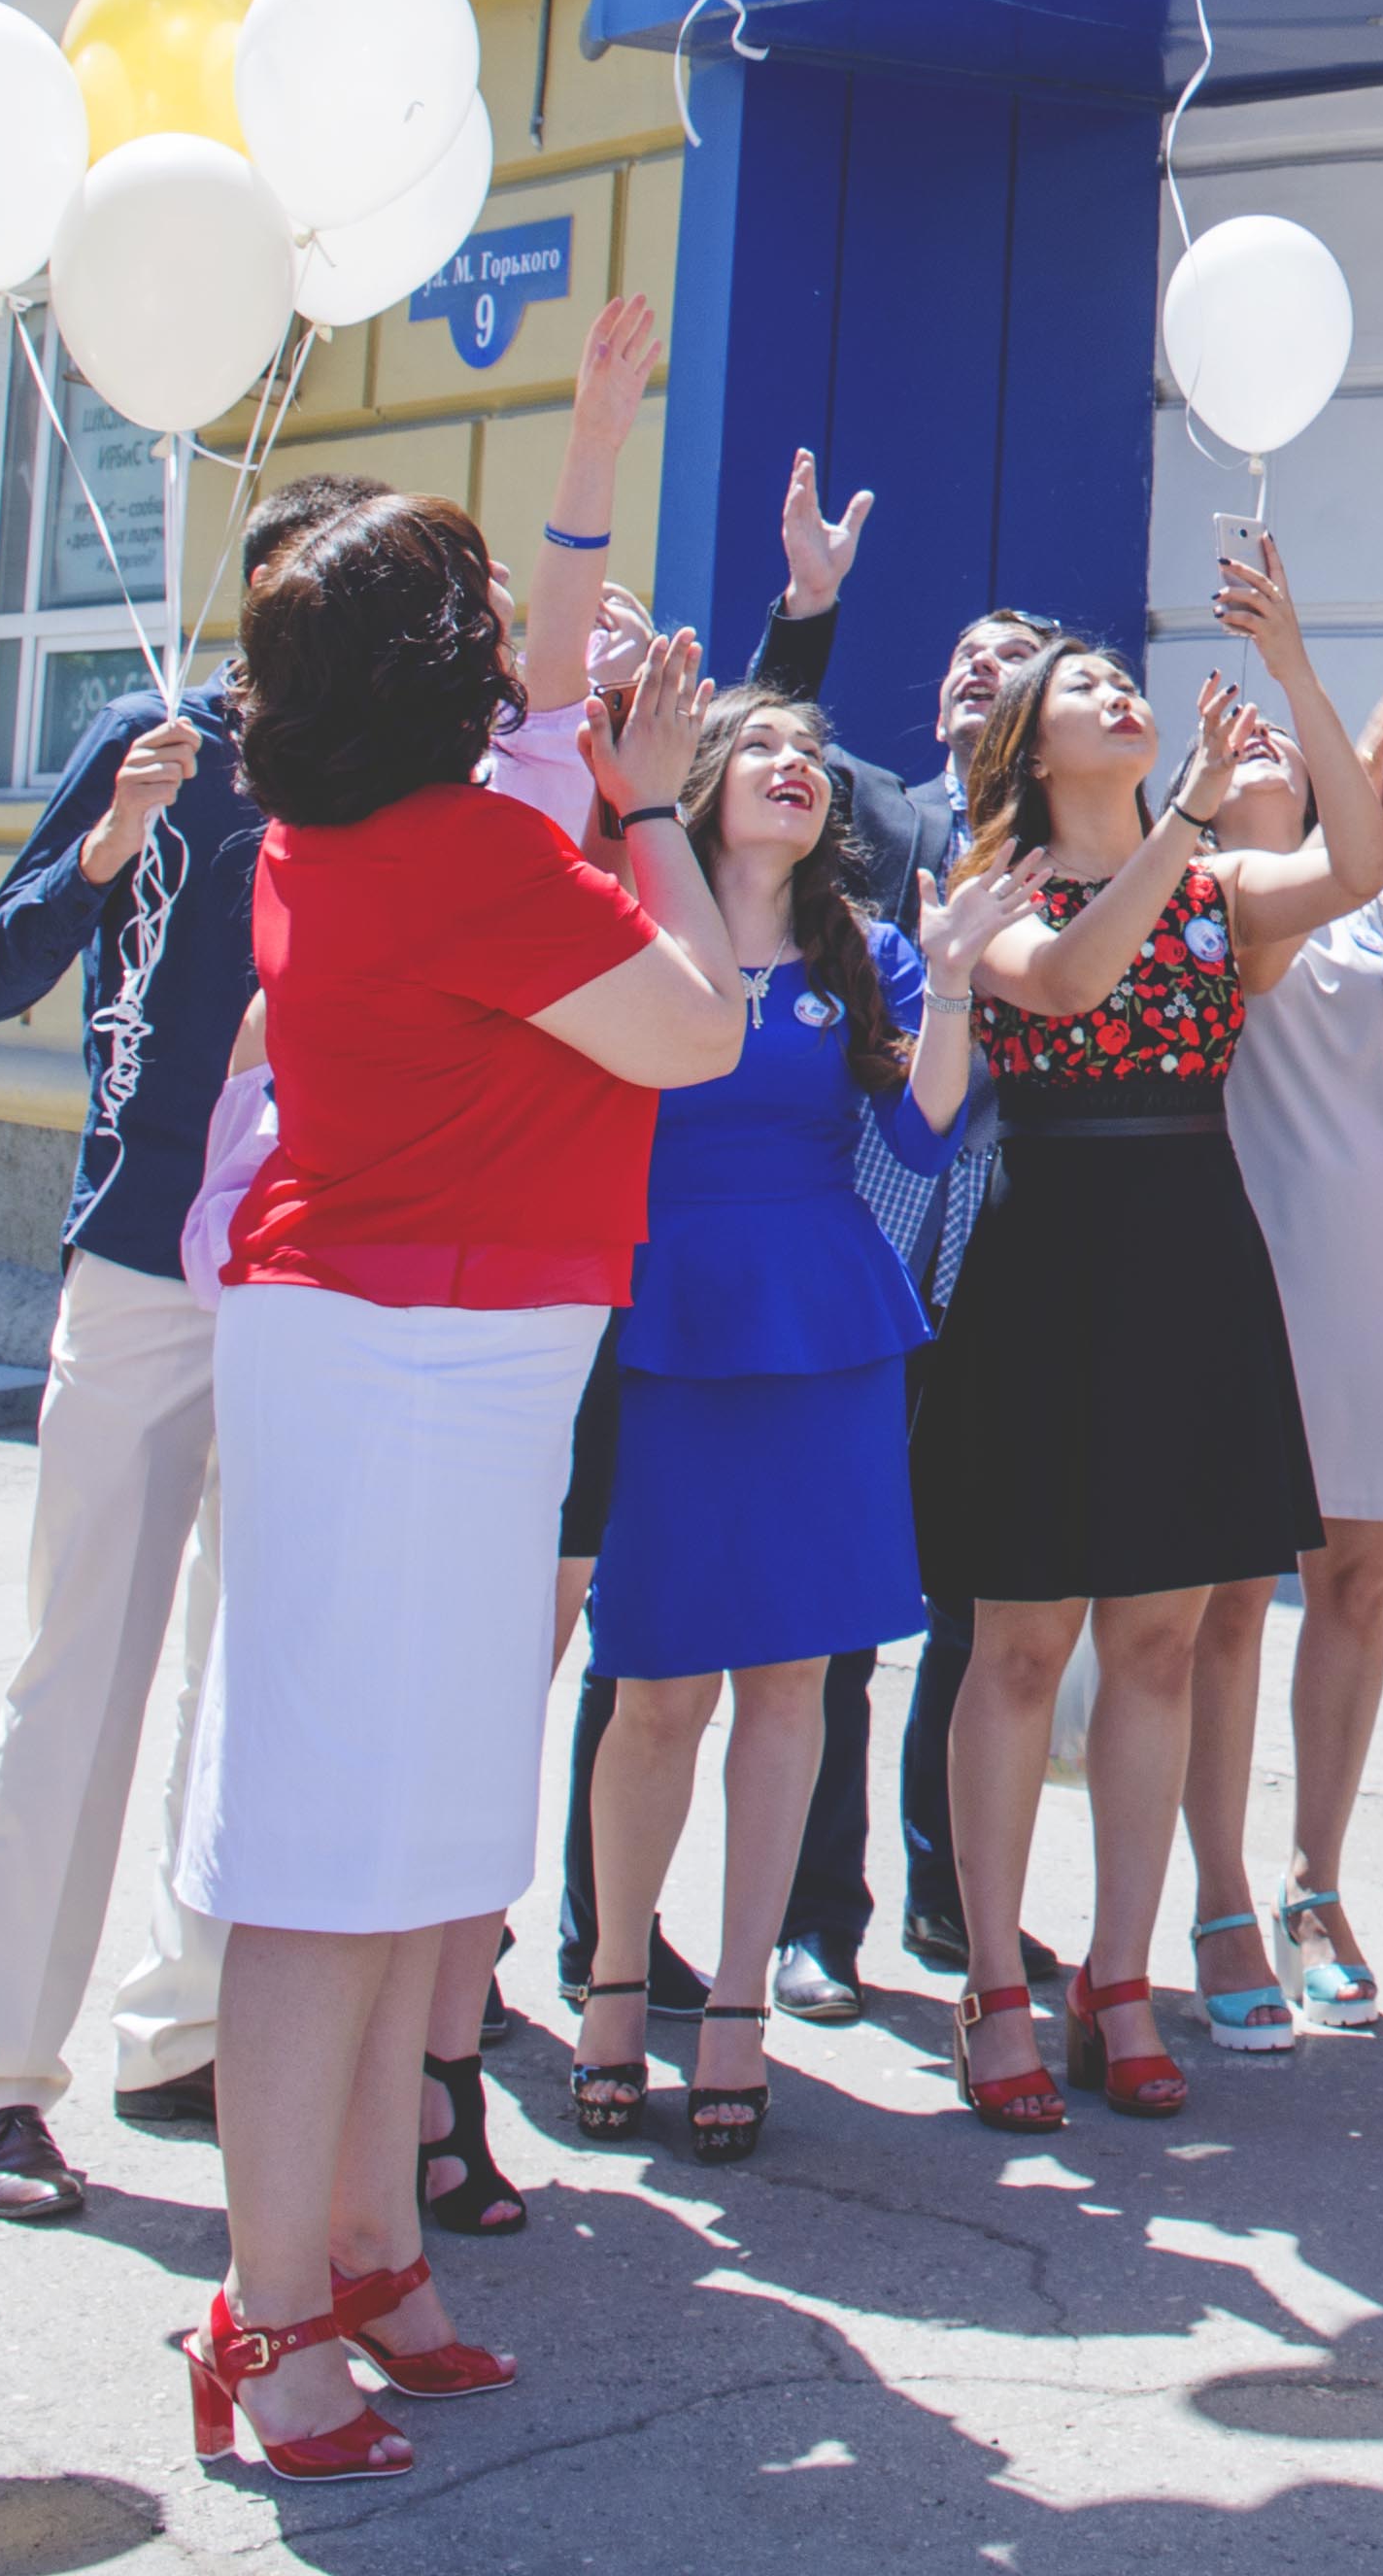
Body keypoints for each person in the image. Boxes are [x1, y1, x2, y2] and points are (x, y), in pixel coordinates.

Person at [176, 513, 745, 2484]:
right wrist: (652, 803)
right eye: (488, 622)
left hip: (441, 1358)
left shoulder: (354, 833)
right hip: (402, 1361)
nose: (519, 646)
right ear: (435, 665)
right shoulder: (466, 852)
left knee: (410, 1849)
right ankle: (266, 2316)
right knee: (331, 1857)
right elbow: (700, 1024)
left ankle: (364, 2254)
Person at [0, 469, 392, 2220]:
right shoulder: (159, 740)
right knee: (83, 1674)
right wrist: (110, 843)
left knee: (248, 1677)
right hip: (137, 1270)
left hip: (313, 1277)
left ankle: (182, 2026)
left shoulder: (386, 769)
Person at [917, 532, 1383, 2127]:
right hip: (1048, 1257)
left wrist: (1296, 665)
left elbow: (1358, 869)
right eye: (1086, 687)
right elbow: (1065, 982)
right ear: (1029, 743)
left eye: (1126, 678)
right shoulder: (991, 891)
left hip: (1195, 1252)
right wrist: (1185, 809)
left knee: (1161, 1643)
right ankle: (995, 1982)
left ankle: (1120, 1979)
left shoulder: (1218, 884)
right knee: (1020, 1643)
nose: (1120, 692)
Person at [564, 686, 954, 2162]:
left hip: (823, 1328)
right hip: (664, 1319)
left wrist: (954, 989)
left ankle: (740, 2005)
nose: (798, 767)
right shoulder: (630, 926)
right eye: (767, 748)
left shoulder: (872, 953)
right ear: (708, 779)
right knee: (656, 1683)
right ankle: (614, 1985)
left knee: (794, 1682)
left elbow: (923, 1135)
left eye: (814, 755)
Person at [744, 451, 1062, 2015]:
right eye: (959, 657)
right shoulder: (879, 815)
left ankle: (955, 1900)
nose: (973, 670)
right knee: (841, 1605)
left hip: (1018, 1257)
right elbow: (767, 744)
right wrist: (808, 613)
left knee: (972, 1600)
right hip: (868, 1250)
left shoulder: (1095, 848)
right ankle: (819, 1918)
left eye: (1009, 660)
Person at [1186, 683, 1383, 2045]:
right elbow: (1250, 960)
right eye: (1240, 724)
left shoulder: (1366, 905)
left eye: (1282, 734)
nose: (1263, 735)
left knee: (1359, 1582)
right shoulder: (1186, 888)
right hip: (1235, 1258)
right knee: (1225, 1599)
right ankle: (1220, 1897)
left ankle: (1316, 1883)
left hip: (1376, 1259)